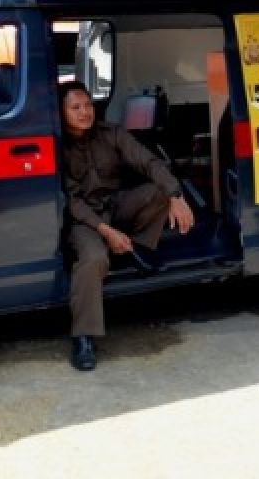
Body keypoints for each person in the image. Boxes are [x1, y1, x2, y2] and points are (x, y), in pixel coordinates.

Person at [59, 80, 195, 371]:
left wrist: (176, 195)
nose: (84, 112)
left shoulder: (112, 133)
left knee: (159, 192)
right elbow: (72, 203)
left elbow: (149, 162)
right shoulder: (58, 146)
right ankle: (84, 336)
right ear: (62, 112)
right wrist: (106, 232)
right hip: (86, 220)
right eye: (75, 107)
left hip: (116, 206)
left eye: (87, 105)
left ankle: (136, 247)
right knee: (94, 259)